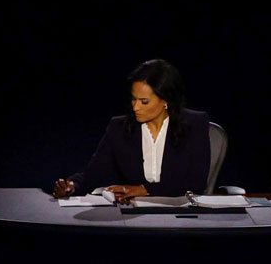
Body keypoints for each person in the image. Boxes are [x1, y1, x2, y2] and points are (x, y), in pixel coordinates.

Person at [52, 59, 214, 202]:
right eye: (133, 99)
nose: (135, 107)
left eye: (144, 101)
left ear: (166, 100)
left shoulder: (194, 124)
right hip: (136, 216)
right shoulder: (119, 128)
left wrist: (144, 189)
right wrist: (72, 185)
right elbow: (94, 174)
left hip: (181, 216)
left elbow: (196, 184)